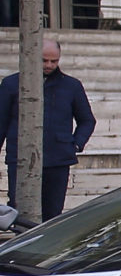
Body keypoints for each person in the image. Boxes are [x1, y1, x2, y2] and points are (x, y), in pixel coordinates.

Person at [1, 38, 97, 222]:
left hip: (58, 159)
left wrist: (76, 144)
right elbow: (1, 122)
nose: (49, 65)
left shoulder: (71, 86)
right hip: (21, 159)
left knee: (52, 213)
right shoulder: (11, 85)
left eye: (54, 61)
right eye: (44, 60)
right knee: (19, 211)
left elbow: (87, 120)